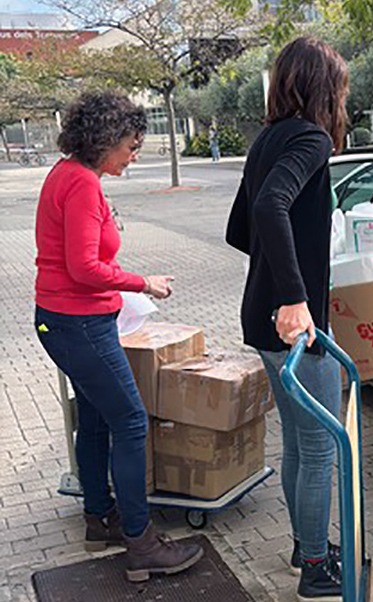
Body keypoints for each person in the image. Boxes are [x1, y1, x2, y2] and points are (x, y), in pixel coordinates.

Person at [33, 91, 202, 582]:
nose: (135, 154)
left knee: (97, 419)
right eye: (130, 145)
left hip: (64, 319)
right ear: (104, 140)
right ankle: (140, 541)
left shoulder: (66, 174)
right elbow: (85, 267)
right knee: (129, 422)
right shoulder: (82, 184)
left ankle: (99, 516)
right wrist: (142, 282)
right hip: (79, 322)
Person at [225, 36, 349, 602]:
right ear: (325, 87)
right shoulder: (311, 137)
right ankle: (316, 567)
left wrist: (278, 279)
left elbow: (239, 227)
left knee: (300, 443)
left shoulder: (268, 137)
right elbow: (269, 207)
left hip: (262, 317)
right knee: (321, 444)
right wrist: (296, 296)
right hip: (294, 324)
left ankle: (306, 544)